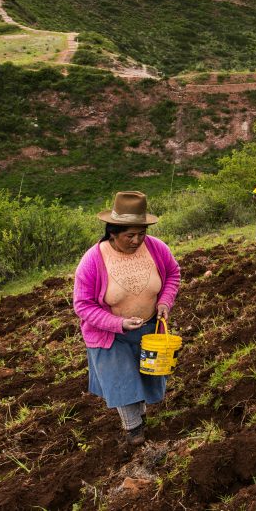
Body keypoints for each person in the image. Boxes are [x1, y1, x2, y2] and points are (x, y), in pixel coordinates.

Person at [73, 191, 180, 446]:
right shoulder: (93, 260)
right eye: (129, 236)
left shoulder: (156, 248)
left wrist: (165, 302)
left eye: (141, 234)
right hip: (112, 336)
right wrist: (117, 323)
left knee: (145, 377)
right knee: (123, 382)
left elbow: (173, 274)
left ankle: (140, 418)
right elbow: (83, 305)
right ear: (113, 232)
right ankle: (134, 432)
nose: (136, 241)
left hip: (149, 329)